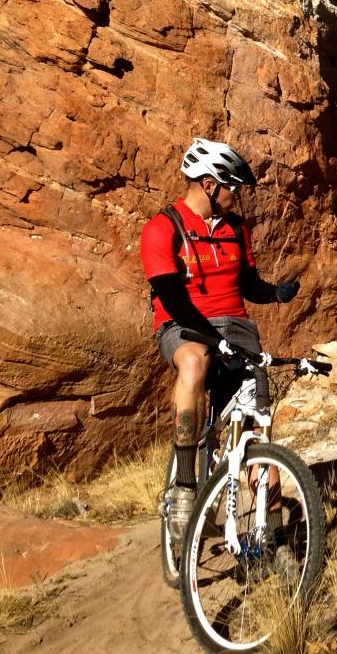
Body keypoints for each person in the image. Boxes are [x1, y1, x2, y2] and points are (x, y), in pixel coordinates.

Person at [140, 137, 299, 540]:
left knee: (257, 429)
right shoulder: (162, 228)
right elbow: (172, 297)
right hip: (184, 324)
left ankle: (272, 531)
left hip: (238, 328)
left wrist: (274, 292)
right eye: (233, 188)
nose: (237, 197)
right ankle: (185, 488)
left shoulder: (236, 229)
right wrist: (210, 337)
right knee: (194, 362)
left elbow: (247, 283)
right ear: (211, 185)